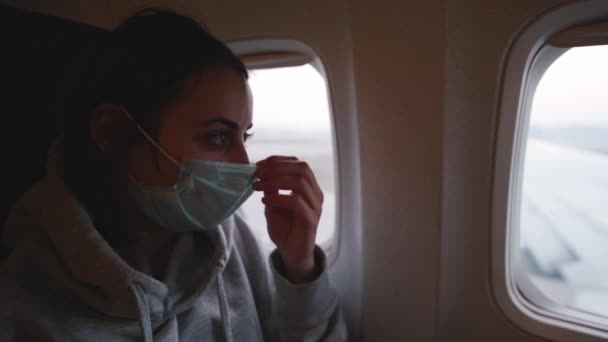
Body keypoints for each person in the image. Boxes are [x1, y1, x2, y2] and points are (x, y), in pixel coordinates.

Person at [0, 9, 347, 341]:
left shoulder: (232, 239)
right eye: (218, 137)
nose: (244, 164)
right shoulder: (21, 304)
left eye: (245, 136)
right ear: (113, 133)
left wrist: (299, 264)